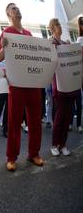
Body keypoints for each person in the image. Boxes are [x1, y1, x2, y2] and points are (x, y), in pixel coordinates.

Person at [0, 3, 44, 171]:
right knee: (14, 122)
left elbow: (37, 56)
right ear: (8, 14)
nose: (17, 9)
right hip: (16, 84)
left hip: (33, 82)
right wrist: (5, 46)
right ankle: (12, 157)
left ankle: (34, 154)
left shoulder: (29, 34)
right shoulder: (6, 33)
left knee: (35, 120)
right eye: (13, 8)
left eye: (17, 7)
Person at [48, 18, 78, 156]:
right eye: (56, 25)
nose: (59, 27)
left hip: (70, 85)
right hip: (59, 86)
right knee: (59, 117)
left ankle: (63, 144)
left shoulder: (66, 43)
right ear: (52, 29)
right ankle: (55, 144)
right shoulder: (51, 43)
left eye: (59, 24)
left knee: (68, 116)